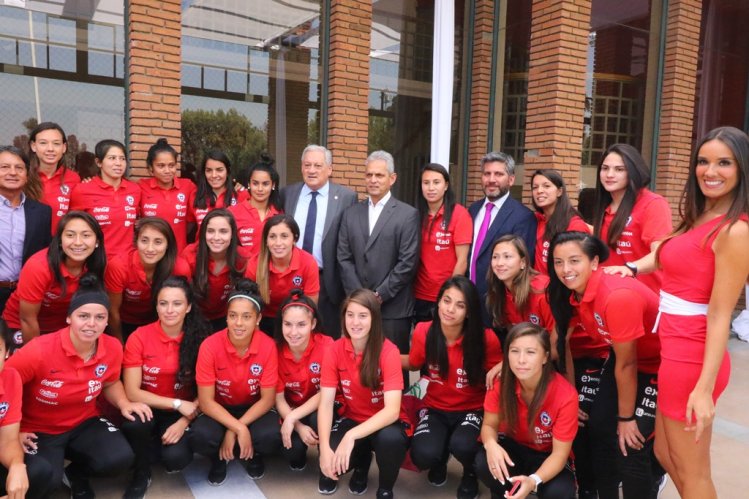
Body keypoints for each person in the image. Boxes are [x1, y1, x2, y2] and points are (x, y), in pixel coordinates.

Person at [607, 127, 749, 499]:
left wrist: (703, 389)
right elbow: (665, 253)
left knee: (693, 472)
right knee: (663, 453)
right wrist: (632, 268)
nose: (710, 171)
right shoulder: (700, 215)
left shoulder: (735, 231)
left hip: (694, 357)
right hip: (673, 350)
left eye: (724, 163)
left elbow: (720, 314)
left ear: (742, 169)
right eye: (703, 161)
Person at [6, 274, 151, 498]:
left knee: (120, 458)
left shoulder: (112, 346)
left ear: (106, 320)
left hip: (84, 422)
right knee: (45, 480)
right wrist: (14, 431)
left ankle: (76, 474)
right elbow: (7, 383)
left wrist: (124, 403)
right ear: (68, 318)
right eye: (83, 316)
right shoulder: (39, 350)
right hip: (39, 429)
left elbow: (110, 381)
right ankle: (58, 473)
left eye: (99, 317)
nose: (91, 324)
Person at [548, 232, 663, 499]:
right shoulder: (576, 292)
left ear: (594, 261)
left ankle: (655, 474)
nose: (565, 270)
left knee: (630, 444)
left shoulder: (616, 295)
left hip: (659, 364)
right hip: (625, 360)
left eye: (574, 261)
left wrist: (626, 418)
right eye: (558, 262)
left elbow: (628, 363)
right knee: (599, 427)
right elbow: (559, 342)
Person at [403, 276, 502, 499]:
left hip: (472, 409)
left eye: (460, 305)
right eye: (446, 301)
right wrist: (379, 353)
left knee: (464, 445)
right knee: (423, 454)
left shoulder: (485, 339)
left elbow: (499, 377)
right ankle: (440, 456)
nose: (450, 309)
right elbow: (413, 363)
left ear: (469, 312)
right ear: (438, 302)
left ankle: (469, 473)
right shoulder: (423, 331)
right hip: (435, 407)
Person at [121, 276, 211, 499]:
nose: (169, 310)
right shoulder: (139, 337)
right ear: (156, 306)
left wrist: (184, 421)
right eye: (163, 303)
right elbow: (132, 391)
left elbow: (208, 392)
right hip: (150, 406)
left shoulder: (202, 339)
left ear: (188, 307)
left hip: (183, 412)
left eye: (177, 303)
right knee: (135, 424)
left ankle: (150, 450)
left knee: (175, 459)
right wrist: (177, 403)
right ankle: (142, 473)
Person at [318, 289, 411, 498]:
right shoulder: (334, 350)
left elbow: (392, 411)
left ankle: (385, 487)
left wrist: (351, 436)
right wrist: (324, 449)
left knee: (391, 441)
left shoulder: (389, 351)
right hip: (352, 417)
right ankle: (361, 463)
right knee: (330, 466)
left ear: (374, 319)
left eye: (363, 315)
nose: (355, 322)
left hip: (384, 423)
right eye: (350, 315)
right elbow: (325, 403)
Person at [190, 279, 281, 485]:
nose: (238, 323)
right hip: (219, 407)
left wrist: (235, 428)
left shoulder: (267, 346)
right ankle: (218, 457)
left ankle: (253, 454)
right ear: (226, 317)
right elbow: (205, 401)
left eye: (246, 317)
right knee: (200, 437)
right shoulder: (210, 346)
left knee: (270, 437)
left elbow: (267, 400)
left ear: (258, 319)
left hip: (254, 406)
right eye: (233, 316)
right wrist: (238, 428)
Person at [337, 151, 420, 375]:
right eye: (369, 175)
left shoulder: (408, 215)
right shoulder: (350, 214)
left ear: (392, 178)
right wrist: (360, 300)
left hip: (393, 310)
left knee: (391, 370)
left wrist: (378, 296)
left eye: (379, 175)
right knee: (357, 369)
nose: (373, 180)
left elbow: (407, 263)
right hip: (357, 310)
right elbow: (343, 258)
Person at [475, 322, 578, 499]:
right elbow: (489, 425)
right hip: (513, 447)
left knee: (560, 492)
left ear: (545, 357)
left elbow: (560, 454)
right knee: (484, 462)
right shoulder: (500, 384)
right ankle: (503, 492)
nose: (521, 360)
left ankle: (528, 484)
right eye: (514, 351)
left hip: (546, 454)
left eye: (531, 352)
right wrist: (491, 444)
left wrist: (534, 480)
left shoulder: (566, 395)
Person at [281, 145, 358, 338]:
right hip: (291, 277)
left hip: (327, 283)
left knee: (325, 340)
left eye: (317, 165)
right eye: (307, 165)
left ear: (330, 169)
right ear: (301, 167)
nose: (312, 170)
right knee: (291, 336)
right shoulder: (287, 194)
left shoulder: (346, 197)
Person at [2, 210, 106, 344]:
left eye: (86, 235)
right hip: (22, 325)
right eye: (70, 235)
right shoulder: (39, 266)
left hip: (63, 328)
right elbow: (27, 319)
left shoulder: (99, 264)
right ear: (60, 240)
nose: (78, 242)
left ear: (97, 241)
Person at [468, 152, 536, 326]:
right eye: (487, 174)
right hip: (468, 300)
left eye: (498, 174)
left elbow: (522, 266)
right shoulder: (472, 210)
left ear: (511, 180)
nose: (491, 179)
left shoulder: (523, 216)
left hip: (498, 306)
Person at [592, 144, 672, 292]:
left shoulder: (652, 204)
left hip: (644, 295)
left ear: (633, 172)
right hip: (609, 293)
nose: (609, 174)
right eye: (605, 168)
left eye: (619, 169)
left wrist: (631, 268)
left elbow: (661, 254)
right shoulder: (605, 205)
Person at [274, 289, 333, 472]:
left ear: (313, 323)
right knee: (293, 452)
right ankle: (299, 451)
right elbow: (278, 398)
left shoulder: (328, 346)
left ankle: (328, 462)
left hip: (322, 405)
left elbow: (326, 392)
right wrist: (297, 425)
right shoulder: (274, 351)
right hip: (291, 408)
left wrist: (293, 417)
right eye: (288, 324)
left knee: (319, 419)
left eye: (301, 325)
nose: (293, 332)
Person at [106, 217, 191, 342]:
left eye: (158, 242)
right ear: (136, 242)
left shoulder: (180, 268)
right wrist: (120, 343)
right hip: (124, 323)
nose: (150, 249)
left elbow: (183, 308)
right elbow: (113, 311)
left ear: (168, 244)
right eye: (144, 241)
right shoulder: (119, 266)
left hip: (162, 322)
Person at [413, 163, 472, 323]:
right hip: (419, 295)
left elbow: (462, 261)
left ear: (446, 185)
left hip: (446, 298)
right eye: (426, 183)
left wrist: (449, 296)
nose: (431, 188)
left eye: (436, 182)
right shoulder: (415, 215)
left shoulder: (459, 214)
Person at [0, 320, 53, 499]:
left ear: (7, 353)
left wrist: (16, 465)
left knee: (37, 471)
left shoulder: (9, 377)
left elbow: (7, 441)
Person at [245, 214, 320, 335]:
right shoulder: (254, 264)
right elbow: (249, 307)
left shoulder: (308, 262)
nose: (278, 243)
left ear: (294, 239)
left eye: (284, 236)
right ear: (266, 241)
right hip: (263, 320)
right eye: (272, 237)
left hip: (295, 320)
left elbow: (310, 309)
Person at [0, 146, 51, 315]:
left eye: (19, 168)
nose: (12, 173)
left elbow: (45, 254)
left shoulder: (42, 212)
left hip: (26, 294)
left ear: (27, 176)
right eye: (5, 167)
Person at [69, 139, 141, 258]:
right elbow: (73, 227)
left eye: (122, 159)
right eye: (112, 158)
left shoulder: (135, 190)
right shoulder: (82, 190)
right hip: (96, 261)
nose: (118, 163)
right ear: (98, 162)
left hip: (127, 262)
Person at [486, 235, 555, 349]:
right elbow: (514, 338)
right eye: (495, 257)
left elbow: (556, 344)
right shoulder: (500, 291)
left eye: (507, 257)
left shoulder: (542, 291)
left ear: (523, 262)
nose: (499, 263)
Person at [182, 209, 246, 332]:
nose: (216, 237)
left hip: (228, 319)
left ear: (232, 234)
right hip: (193, 317)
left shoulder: (243, 258)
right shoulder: (189, 255)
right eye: (210, 231)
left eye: (223, 231)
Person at [138, 138, 196, 251]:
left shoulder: (188, 186)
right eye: (161, 166)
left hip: (178, 253)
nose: (167, 170)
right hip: (150, 253)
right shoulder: (141, 187)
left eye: (171, 165)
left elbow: (192, 221)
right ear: (151, 168)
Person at [530, 169, 589, 275]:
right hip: (536, 288)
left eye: (546, 186)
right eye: (535, 187)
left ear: (559, 191)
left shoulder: (574, 225)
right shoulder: (536, 220)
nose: (539, 191)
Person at [28, 122, 80, 233]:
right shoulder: (23, 177)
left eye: (56, 143)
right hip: (29, 244)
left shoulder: (74, 178)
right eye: (43, 143)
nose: (50, 149)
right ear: (33, 146)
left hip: (60, 244)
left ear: (64, 147)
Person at [230, 156, 282, 259]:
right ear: (249, 184)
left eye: (265, 184)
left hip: (272, 273)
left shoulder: (280, 214)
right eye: (255, 183)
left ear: (273, 185)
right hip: (243, 273)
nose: (260, 189)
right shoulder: (233, 213)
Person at [192, 150, 249, 230]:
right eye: (209, 170)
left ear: (227, 171)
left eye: (219, 170)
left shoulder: (241, 195)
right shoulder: (195, 195)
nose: (214, 175)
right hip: (201, 243)